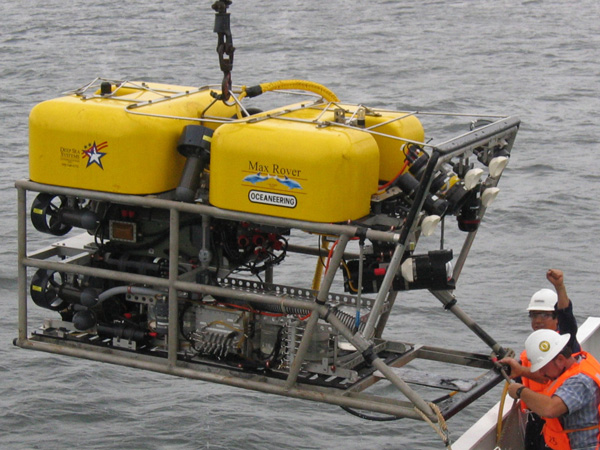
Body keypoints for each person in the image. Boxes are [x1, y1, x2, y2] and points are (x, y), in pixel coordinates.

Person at [504, 269, 580, 450]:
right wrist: (516, 371)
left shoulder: (564, 345)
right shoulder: (532, 349)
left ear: (556, 319)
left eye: (545, 315)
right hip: (535, 421)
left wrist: (559, 287)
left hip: (557, 419)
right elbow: (532, 379)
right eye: (534, 315)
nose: (538, 320)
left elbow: (567, 317)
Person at [506, 329, 600, 450]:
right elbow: (547, 378)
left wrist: (520, 391)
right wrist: (520, 370)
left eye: (543, 366)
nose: (541, 372)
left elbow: (550, 409)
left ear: (560, 359)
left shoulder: (580, 382)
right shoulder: (578, 363)